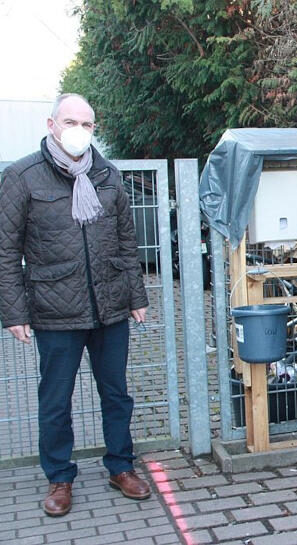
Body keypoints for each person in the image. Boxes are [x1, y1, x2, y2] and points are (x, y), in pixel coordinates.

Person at [0, 93, 151, 516]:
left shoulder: (107, 174)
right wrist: (13, 311)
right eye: (71, 122)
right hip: (54, 309)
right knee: (55, 399)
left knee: (116, 395)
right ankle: (59, 477)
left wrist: (136, 297)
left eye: (87, 124)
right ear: (51, 124)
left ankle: (121, 466)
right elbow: (6, 250)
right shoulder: (22, 177)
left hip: (110, 307)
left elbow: (125, 240)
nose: (79, 132)